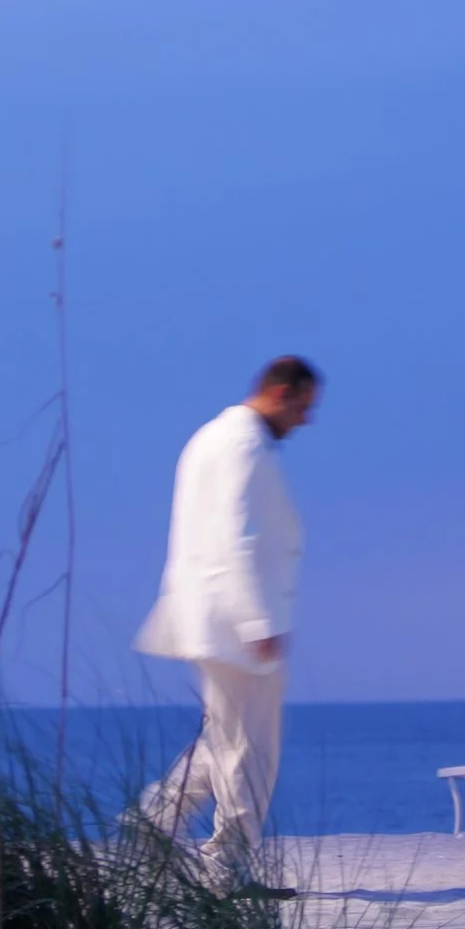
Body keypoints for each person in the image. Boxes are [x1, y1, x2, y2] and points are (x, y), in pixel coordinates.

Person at [133, 355, 319, 896]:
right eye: (304, 407)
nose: (305, 421)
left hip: (212, 617)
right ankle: (226, 870)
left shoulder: (210, 438)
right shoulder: (241, 445)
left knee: (225, 739)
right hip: (237, 622)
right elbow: (236, 536)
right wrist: (257, 619)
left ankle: (154, 825)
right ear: (282, 393)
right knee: (250, 751)